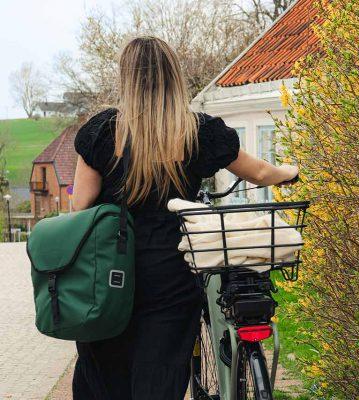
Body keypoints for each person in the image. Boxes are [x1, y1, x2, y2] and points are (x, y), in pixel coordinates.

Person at [71, 36, 298, 400]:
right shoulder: (199, 131)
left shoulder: (101, 132)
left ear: (126, 78)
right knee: (160, 377)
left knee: (105, 377)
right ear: (173, 76)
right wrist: (290, 172)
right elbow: (259, 172)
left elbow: (79, 208)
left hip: (108, 279)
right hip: (171, 278)